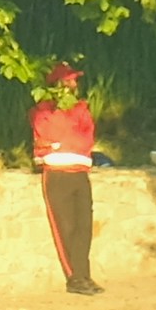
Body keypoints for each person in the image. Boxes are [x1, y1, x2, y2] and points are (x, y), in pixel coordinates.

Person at [31, 65, 102, 296]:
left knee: (84, 227)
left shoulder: (81, 109)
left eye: (74, 81)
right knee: (66, 228)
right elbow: (52, 133)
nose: (73, 86)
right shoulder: (42, 110)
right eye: (68, 81)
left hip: (80, 171)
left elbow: (84, 136)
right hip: (57, 173)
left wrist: (64, 138)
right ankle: (75, 278)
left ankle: (84, 275)